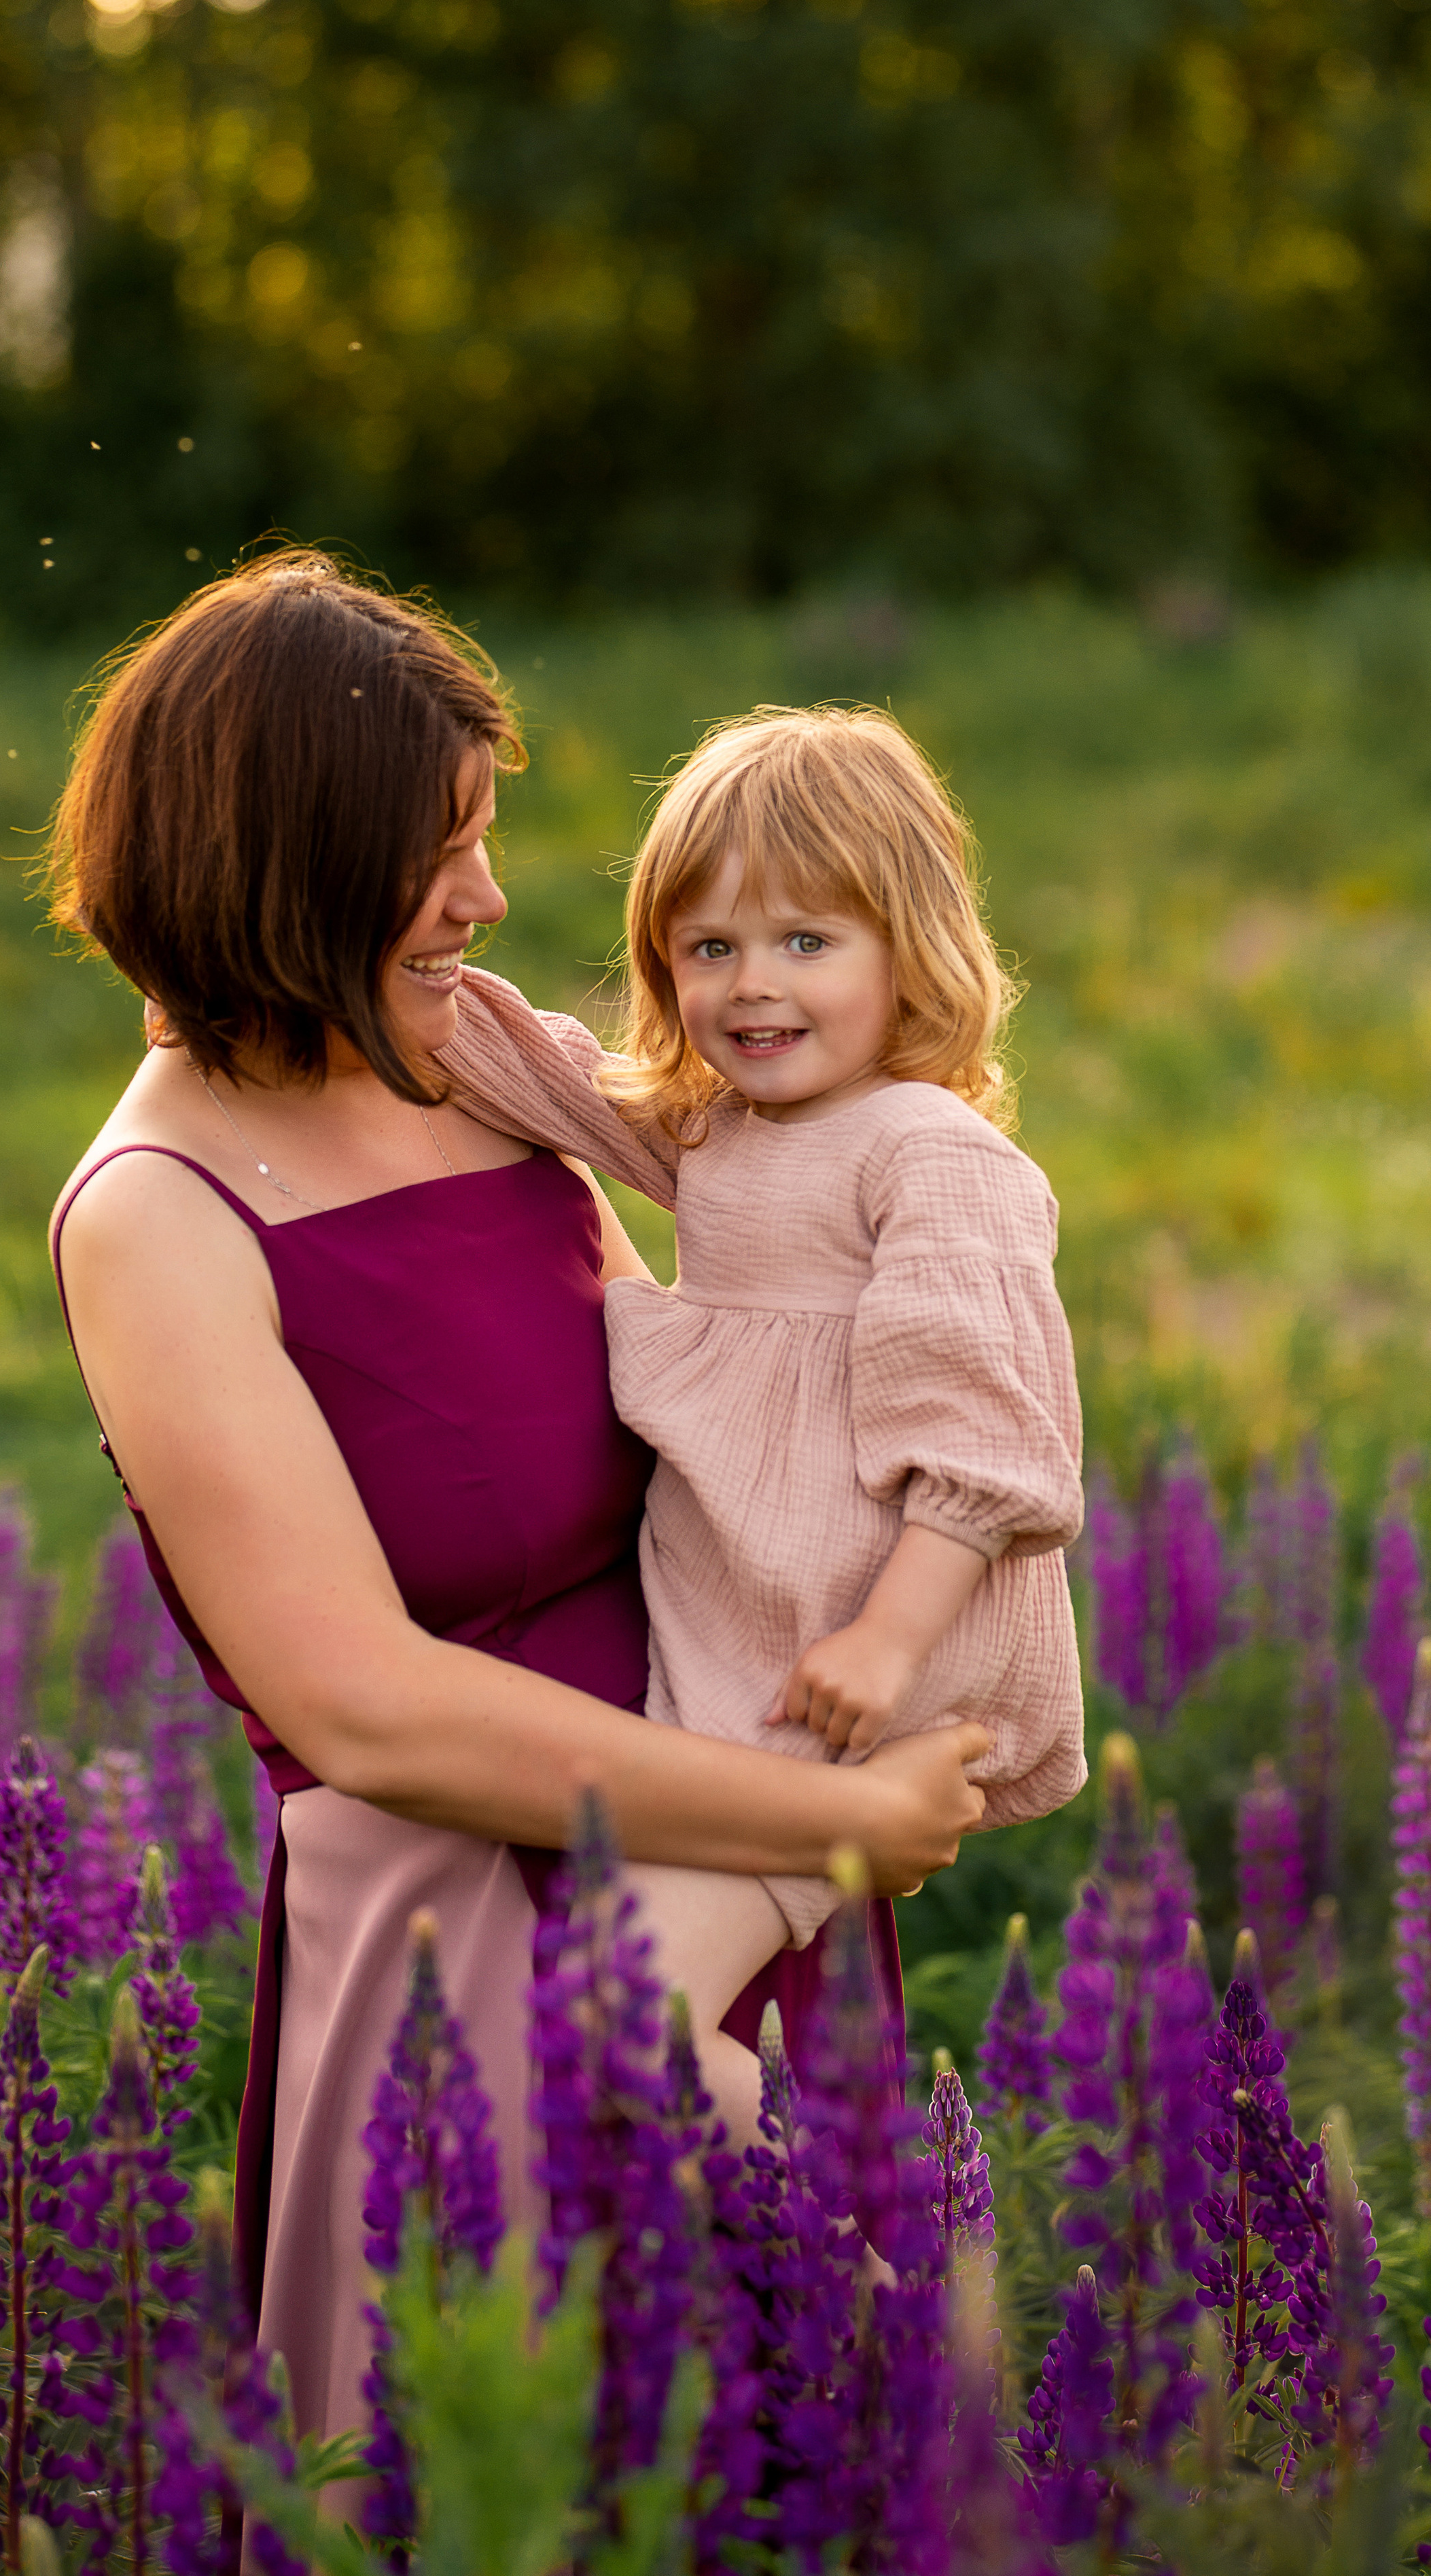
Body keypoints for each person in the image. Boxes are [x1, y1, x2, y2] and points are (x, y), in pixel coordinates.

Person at [43, 557, 991, 2441]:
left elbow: (780, 1278)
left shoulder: (466, 1053)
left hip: (726, 1870)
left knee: (830, 2469)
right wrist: (831, 1813)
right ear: (288, 866)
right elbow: (361, 1705)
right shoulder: (159, 1214)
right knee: (515, 2480)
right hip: (476, 1955)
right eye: (442, 850)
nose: (485, 896)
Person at [440, 705, 1086, 2146]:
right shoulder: (728, 1129)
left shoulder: (931, 1155)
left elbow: (986, 1451)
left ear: (906, 950)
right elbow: (545, 1079)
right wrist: (325, 999)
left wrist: (887, 1642)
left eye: (806, 942)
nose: (749, 986)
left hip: (846, 1673)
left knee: (618, 2018)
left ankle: (881, 2271)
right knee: (646, 2012)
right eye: (708, 946)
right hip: (755, 1642)